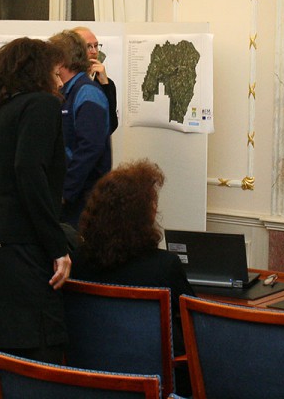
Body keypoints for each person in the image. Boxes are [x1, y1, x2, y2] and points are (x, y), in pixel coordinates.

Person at [0, 37, 71, 364]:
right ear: (37, 73)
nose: (60, 82)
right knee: (38, 355)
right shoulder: (42, 105)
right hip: (16, 249)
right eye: (55, 73)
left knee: (3, 359)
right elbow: (29, 172)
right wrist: (58, 247)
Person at [71, 159, 194, 394]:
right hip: (156, 384)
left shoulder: (75, 263)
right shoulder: (164, 267)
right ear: (143, 216)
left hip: (89, 380)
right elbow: (195, 324)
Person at [48, 30, 111, 226]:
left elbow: (90, 148)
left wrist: (65, 192)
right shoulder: (64, 91)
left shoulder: (87, 93)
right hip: (68, 197)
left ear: (60, 61)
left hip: (82, 201)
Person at [72, 26, 118, 134]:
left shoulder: (107, 84)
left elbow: (111, 125)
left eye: (96, 46)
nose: (94, 51)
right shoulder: (64, 81)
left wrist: (105, 85)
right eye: (88, 46)